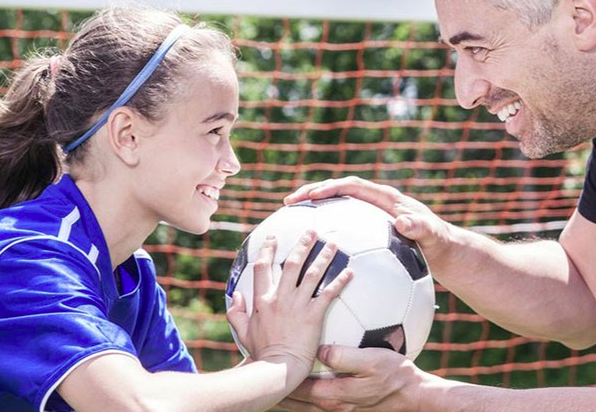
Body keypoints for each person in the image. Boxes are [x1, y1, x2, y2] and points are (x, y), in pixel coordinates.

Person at [0, 6, 353, 412]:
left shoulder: (133, 274)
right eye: (214, 131)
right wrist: (282, 362)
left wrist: (272, 374)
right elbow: (137, 405)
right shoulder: (27, 253)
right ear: (128, 135)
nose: (232, 161)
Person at [278, 0, 596, 411]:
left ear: (581, 19)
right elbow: (590, 294)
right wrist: (437, 243)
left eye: (477, 49)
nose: (466, 93)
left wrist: (425, 399)